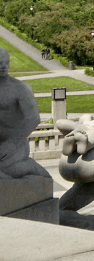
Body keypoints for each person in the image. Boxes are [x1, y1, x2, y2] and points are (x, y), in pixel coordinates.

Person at [0, 48, 50, 180]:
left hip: (16, 144)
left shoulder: (20, 88)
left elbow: (33, 118)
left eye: (6, 63)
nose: (3, 66)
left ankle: (31, 167)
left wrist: (12, 143)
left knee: (6, 169)